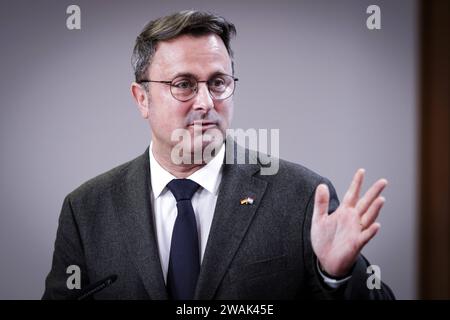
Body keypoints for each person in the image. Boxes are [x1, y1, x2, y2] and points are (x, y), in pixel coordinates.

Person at [43, 10, 394, 300]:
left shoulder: (303, 197)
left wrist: (337, 276)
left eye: (218, 82)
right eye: (183, 84)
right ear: (142, 99)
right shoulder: (86, 209)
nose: (206, 103)